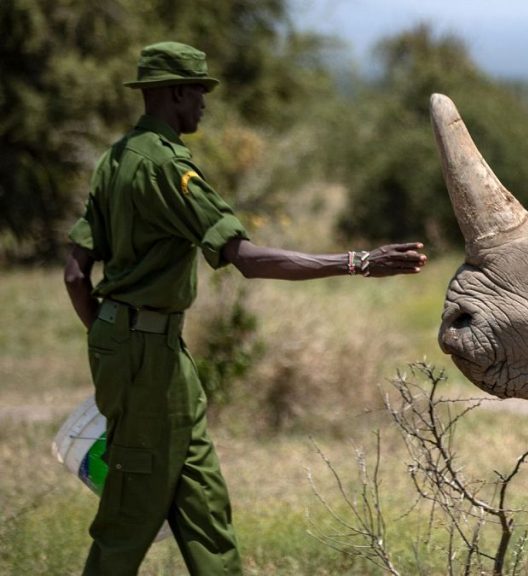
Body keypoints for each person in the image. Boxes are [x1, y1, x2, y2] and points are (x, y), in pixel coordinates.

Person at [63, 41, 427, 575]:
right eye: (199, 93)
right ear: (175, 93)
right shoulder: (167, 168)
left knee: (204, 507)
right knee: (130, 514)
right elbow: (247, 259)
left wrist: (110, 335)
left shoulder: (112, 160)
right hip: (148, 356)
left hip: (154, 351)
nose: (204, 106)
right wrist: (359, 260)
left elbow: (75, 273)